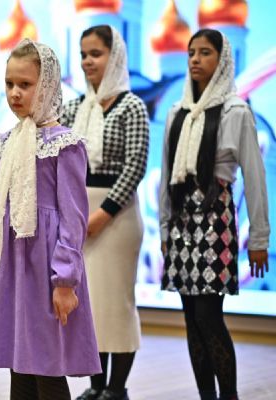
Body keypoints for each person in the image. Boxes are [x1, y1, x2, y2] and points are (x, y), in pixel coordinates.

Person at [0, 39, 101, 400]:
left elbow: (73, 218)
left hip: (45, 268)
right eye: (10, 84)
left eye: (25, 84)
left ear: (46, 86)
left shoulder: (65, 144)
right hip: (11, 268)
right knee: (20, 364)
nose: (15, 93)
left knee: (46, 364)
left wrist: (65, 280)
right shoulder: (3, 144)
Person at [159, 29, 270, 400]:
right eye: (191, 52)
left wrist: (259, 239)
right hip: (180, 224)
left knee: (209, 316)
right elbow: (166, 175)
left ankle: (229, 396)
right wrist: (164, 230)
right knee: (191, 318)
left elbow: (255, 177)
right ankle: (206, 395)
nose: (194, 59)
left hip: (214, 221)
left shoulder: (237, 111)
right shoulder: (177, 113)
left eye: (205, 52)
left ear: (222, 61)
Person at [60, 25, 149, 400]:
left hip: (117, 218)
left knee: (116, 305)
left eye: (95, 54)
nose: (87, 61)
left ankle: (117, 388)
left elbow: (136, 165)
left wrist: (103, 214)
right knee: (90, 305)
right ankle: (96, 387)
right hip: (78, 216)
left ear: (115, 57)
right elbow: (61, 161)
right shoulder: (73, 107)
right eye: (83, 54)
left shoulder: (132, 106)